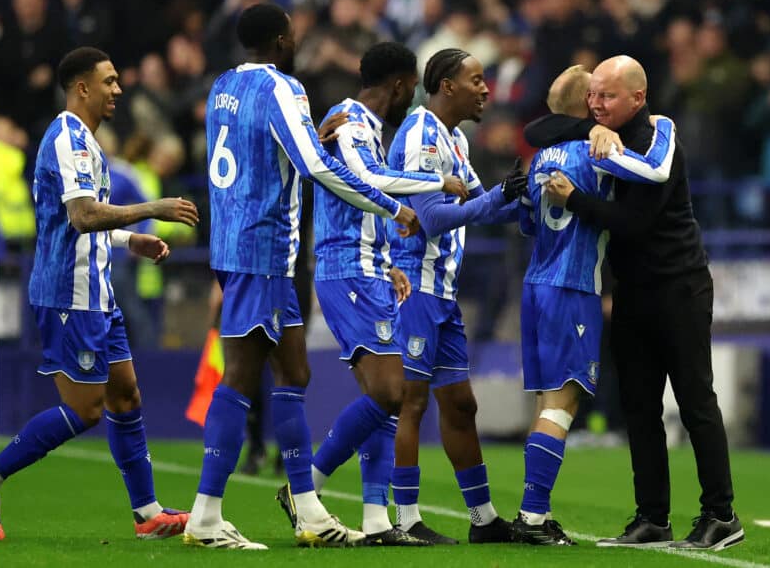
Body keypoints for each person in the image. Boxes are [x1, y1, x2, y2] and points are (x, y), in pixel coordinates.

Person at [186, 3, 419, 551]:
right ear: (283, 41)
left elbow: (254, 152)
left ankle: (308, 509)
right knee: (242, 376)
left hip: (237, 244)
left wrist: (308, 136)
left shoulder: (222, 86)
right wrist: (391, 207)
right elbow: (315, 167)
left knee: (293, 374)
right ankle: (205, 514)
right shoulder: (285, 88)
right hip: (263, 247)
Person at [0, 46, 199, 542]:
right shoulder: (67, 139)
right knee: (87, 410)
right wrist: (154, 209)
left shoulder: (87, 142)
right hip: (69, 293)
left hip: (98, 293)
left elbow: (78, 222)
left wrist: (131, 239)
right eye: (109, 81)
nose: (118, 89)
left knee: (126, 395)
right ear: (81, 87)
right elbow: (83, 216)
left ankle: (148, 513)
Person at [525, 55, 743, 551]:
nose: (597, 105)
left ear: (638, 98)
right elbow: (545, 129)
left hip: (679, 286)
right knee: (639, 408)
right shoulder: (602, 138)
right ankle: (652, 518)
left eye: (608, 96)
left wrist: (573, 198)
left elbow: (633, 223)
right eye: (594, 96)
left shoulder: (656, 142)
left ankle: (721, 515)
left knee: (694, 400)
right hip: (632, 291)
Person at [275, 41, 468, 547]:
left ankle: (377, 519)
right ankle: (305, 487)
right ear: (401, 85)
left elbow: (362, 202)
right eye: (411, 89)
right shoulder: (352, 120)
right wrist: (434, 182)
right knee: (390, 392)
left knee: (385, 396)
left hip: (369, 268)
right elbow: (364, 179)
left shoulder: (363, 126)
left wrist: (388, 264)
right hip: (346, 270)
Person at [512, 65, 676, 546]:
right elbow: (650, 175)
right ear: (588, 106)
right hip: (572, 286)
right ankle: (533, 517)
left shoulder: (539, 158)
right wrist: (662, 129)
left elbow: (525, 223)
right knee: (562, 405)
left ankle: (532, 512)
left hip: (534, 285)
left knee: (546, 403)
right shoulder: (597, 151)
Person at [387, 48, 527, 545]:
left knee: (461, 405)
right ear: (447, 86)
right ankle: (403, 519)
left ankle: (484, 519)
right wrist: (499, 197)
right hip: (413, 284)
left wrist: (527, 199)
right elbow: (432, 216)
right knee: (412, 402)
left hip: (441, 291)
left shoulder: (455, 139)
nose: (486, 89)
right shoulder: (422, 134)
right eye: (476, 80)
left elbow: (483, 205)